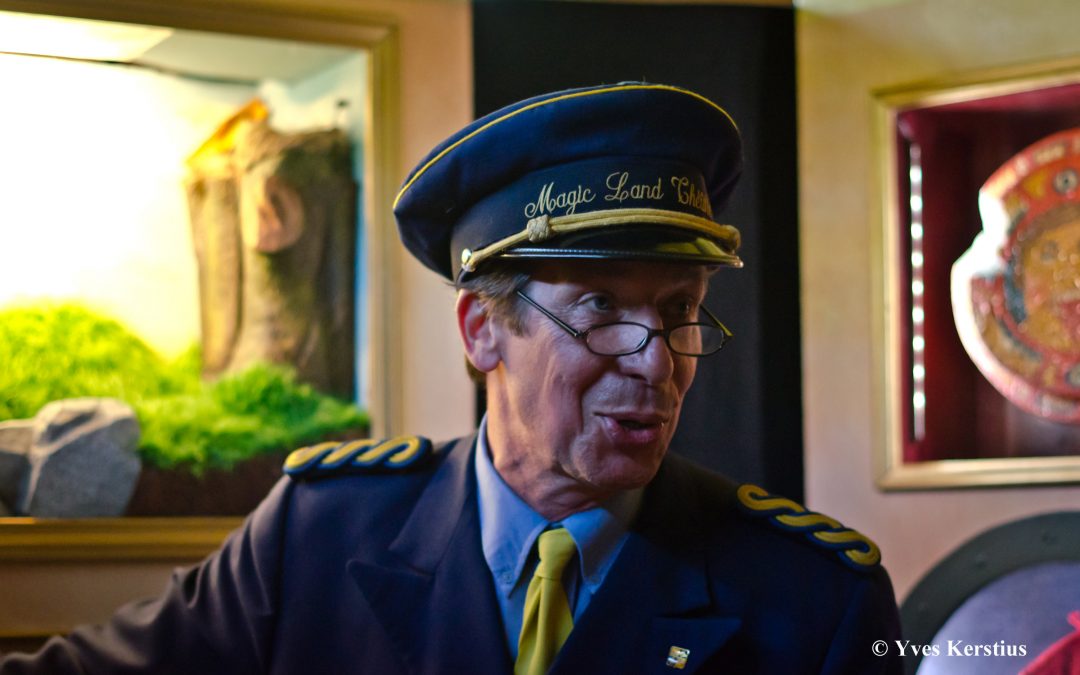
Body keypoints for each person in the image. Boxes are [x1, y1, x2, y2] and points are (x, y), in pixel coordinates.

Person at [1, 83, 902, 674]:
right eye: (598, 307)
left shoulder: (811, 600)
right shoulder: (316, 535)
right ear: (482, 329)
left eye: (678, 308)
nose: (657, 359)